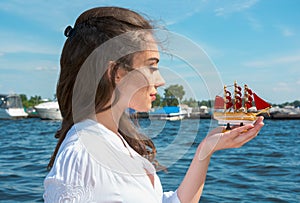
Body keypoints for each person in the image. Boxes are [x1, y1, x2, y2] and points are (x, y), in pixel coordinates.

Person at [43, 6, 264, 203]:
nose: (160, 80)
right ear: (117, 73)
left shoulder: (111, 140)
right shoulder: (85, 156)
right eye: (151, 66)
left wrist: (206, 150)